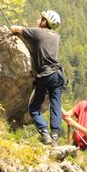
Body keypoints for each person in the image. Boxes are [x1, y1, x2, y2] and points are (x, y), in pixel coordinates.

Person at [10, 10, 64, 145]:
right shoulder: (56, 36)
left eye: (41, 18)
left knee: (34, 108)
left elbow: (14, 28)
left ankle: (44, 133)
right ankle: (55, 137)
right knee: (56, 105)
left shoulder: (38, 32)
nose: (38, 19)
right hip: (58, 74)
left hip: (45, 75)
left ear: (45, 22)